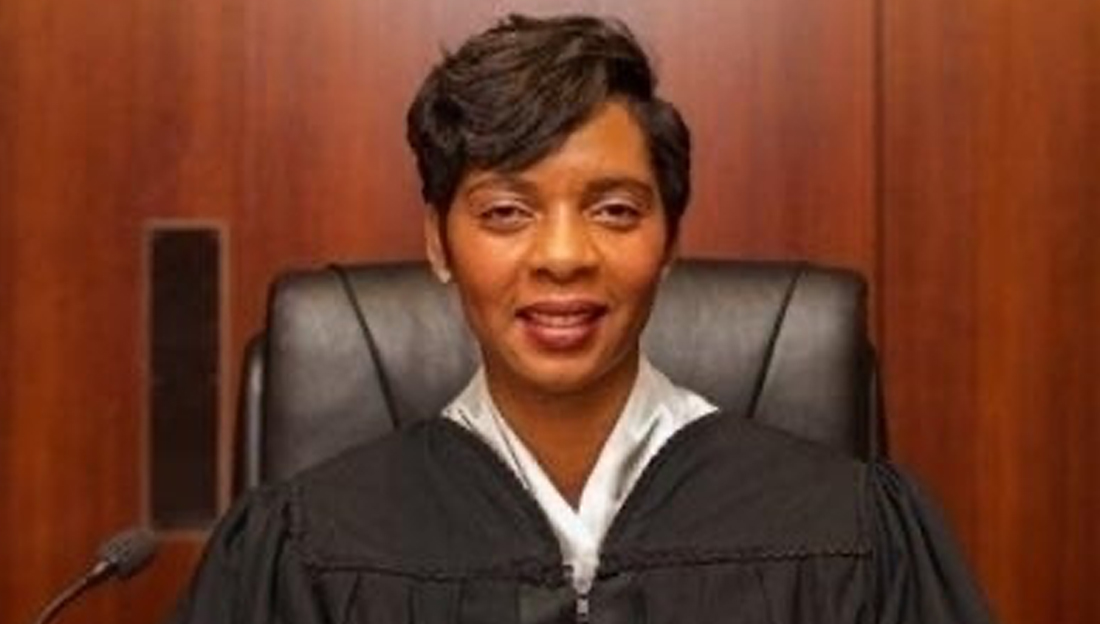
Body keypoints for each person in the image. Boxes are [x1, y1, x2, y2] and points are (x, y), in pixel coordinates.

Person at [169, 14, 995, 623]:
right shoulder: (303, 551)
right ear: (438, 243)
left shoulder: (849, 532)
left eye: (614, 210)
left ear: (669, 241)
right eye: (505, 212)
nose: (563, 256)